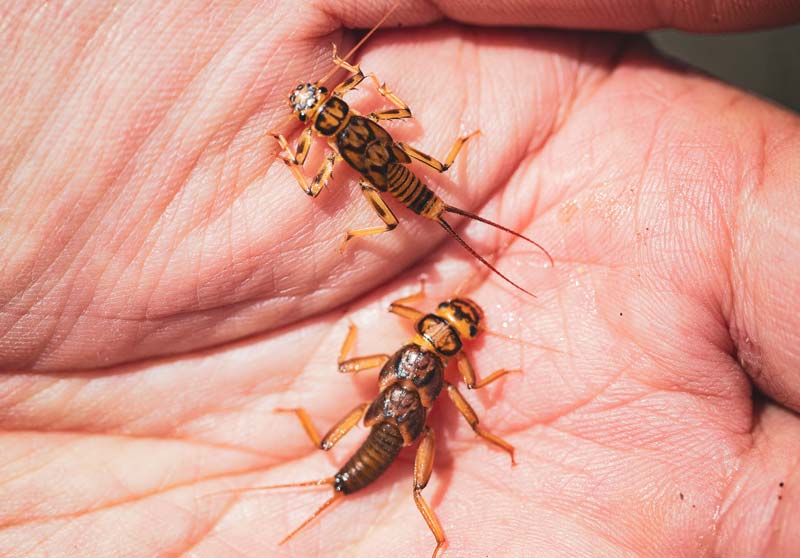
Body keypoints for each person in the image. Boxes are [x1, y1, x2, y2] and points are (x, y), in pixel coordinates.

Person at [0, 2, 797, 556]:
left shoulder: (345, 150)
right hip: (408, 200)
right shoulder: (369, 127)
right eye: (317, 109)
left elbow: (317, 186)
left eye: (317, 107)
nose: (317, 108)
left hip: (401, 209)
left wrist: (294, 152)